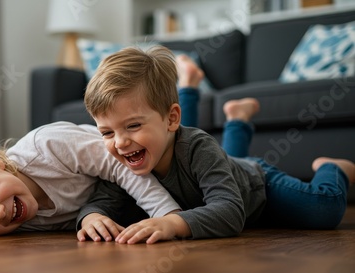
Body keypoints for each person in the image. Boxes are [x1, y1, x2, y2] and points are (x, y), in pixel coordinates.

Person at [78, 45, 355, 244]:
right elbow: (101, 202)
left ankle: (333, 167)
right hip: (228, 166)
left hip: (257, 187)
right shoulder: (123, 161)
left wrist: (173, 223)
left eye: (133, 126)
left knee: (324, 210)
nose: (121, 142)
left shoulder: (198, 147)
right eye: (106, 132)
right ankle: (238, 120)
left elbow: (231, 211)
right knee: (228, 159)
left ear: (172, 118)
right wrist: (92, 218)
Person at [0, 122, 182, 237]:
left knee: (210, 163)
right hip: (124, 201)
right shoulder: (20, 222)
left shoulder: (47, 147)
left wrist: (168, 216)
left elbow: (120, 167)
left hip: (151, 159)